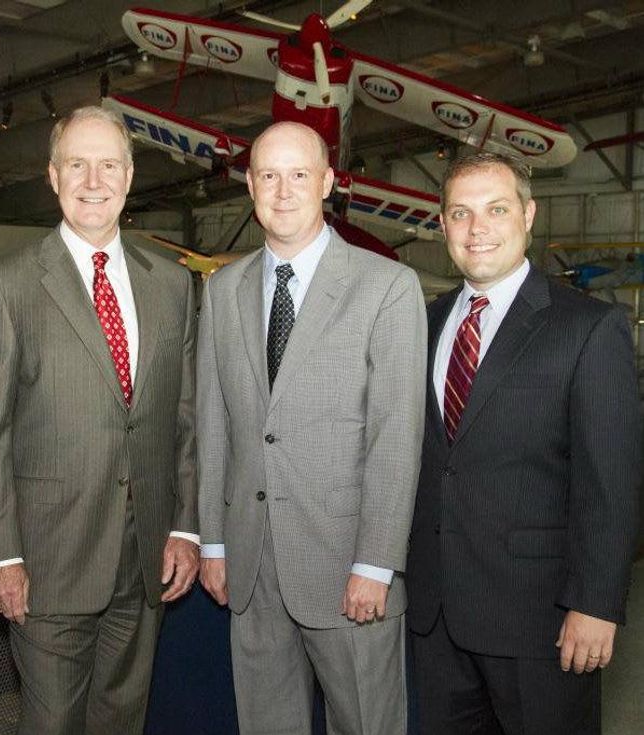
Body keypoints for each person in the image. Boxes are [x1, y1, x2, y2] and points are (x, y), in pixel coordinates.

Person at [0, 105, 198, 735]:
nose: (92, 180)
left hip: (144, 559)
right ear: (52, 175)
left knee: (122, 722)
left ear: (129, 175)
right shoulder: (8, 284)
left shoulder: (172, 287)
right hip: (47, 563)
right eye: (77, 164)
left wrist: (186, 529)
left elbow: (184, 420)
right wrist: (0, 555)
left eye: (108, 165)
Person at [197, 121, 426, 735]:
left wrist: (377, 563)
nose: (283, 190)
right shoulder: (223, 290)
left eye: (299, 174)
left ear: (328, 181)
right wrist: (214, 543)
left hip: (347, 563)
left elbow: (395, 438)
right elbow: (214, 424)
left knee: (367, 724)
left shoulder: (387, 287)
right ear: (249, 185)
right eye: (268, 175)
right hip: (252, 563)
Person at [405, 151, 641, 735]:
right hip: (436, 617)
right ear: (441, 226)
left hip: (542, 621)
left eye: (496, 209)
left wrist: (596, 603)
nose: (477, 229)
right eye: (460, 213)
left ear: (529, 215)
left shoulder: (588, 327)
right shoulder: (421, 323)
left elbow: (611, 482)